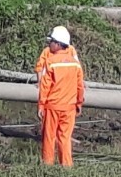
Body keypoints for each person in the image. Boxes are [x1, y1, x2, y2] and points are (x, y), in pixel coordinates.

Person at [34, 25, 85, 168]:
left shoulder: (51, 62)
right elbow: (80, 85)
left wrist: (41, 105)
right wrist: (79, 103)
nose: (49, 44)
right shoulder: (75, 64)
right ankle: (67, 168)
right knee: (65, 138)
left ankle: (47, 168)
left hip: (52, 107)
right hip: (69, 108)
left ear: (57, 44)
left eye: (51, 42)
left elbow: (44, 86)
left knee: (49, 138)